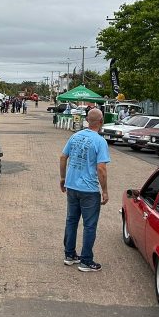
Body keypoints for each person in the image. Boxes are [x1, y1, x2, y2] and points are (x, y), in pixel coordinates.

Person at [59, 108, 109, 272]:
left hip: (72, 186)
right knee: (89, 225)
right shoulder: (100, 141)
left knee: (71, 221)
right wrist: (105, 190)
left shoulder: (75, 136)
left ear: (87, 120)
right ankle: (86, 261)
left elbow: (63, 156)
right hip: (88, 190)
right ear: (101, 122)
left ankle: (70, 255)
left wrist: (62, 178)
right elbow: (101, 168)